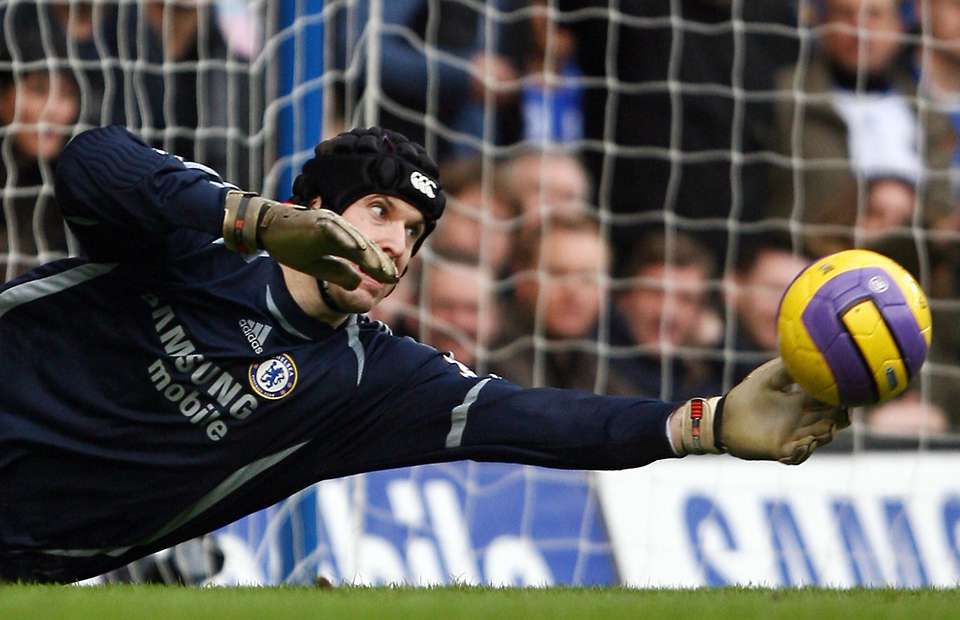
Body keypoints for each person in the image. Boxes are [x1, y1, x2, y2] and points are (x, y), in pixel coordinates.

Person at [0, 125, 846, 583]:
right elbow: (89, 160)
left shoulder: (371, 381)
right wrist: (252, 219)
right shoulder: (192, 244)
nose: (396, 245)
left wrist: (705, 423)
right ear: (314, 205)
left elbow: (540, 419)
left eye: (414, 231)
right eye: (378, 211)